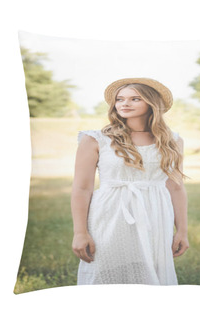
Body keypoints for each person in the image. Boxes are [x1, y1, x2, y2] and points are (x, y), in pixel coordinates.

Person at [71, 77, 189, 285]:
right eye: (120, 99)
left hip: (155, 213)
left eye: (135, 99)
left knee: (150, 275)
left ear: (151, 104)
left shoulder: (171, 141)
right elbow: (82, 188)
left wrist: (182, 231)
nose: (124, 104)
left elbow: (176, 187)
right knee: (105, 271)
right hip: (109, 214)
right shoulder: (96, 139)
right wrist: (80, 232)